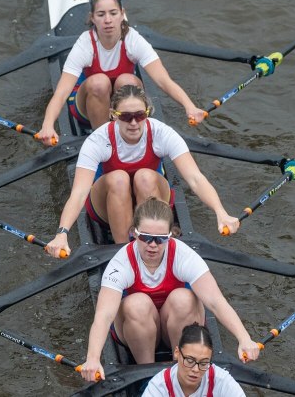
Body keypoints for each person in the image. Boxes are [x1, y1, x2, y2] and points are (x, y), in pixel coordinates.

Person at [76, 198, 260, 383]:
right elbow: (104, 316)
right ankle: (147, 377)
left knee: (184, 299)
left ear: (170, 235)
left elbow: (216, 302)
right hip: (136, 328)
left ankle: (180, 371)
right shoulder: (121, 263)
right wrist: (93, 358)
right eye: (146, 237)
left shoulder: (184, 255)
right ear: (134, 233)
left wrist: (244, 338)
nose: (153, 245)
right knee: (136, 303)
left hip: (175, 322)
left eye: (161, 239)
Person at [45, 85, 239, 253]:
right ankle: (124, 253)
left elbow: (195, 178)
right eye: (126, 116)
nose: (134, 123)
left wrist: (220, 211)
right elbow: (79, 193)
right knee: (119, 179)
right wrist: (62, 233)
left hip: (150, 196)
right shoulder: (98, 140)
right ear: (113, 114)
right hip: (108, 204)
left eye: (139, 115)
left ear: (148, 112)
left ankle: (154, 238)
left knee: (145, 177)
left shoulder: (161, 133)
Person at [37, 0, 206, 146]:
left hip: (124, 105)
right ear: (92, 18)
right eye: (101, 14)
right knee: (99, 83)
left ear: (122, 14)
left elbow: (163, 80)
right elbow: (61, 93)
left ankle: (128, 133)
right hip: (88, 108)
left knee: (127, 81)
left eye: (113, 13)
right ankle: (104, 142)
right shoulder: (85, 44)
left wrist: (189, 106)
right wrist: (48, 124)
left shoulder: (133, 40)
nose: (108, 20)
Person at [142, 323, 246, 397]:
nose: (196, 369)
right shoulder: (159, 386)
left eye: (204, 363)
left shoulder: (222, 381)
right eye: (190, 360)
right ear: (177, 353)